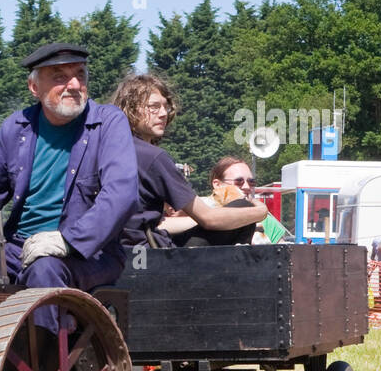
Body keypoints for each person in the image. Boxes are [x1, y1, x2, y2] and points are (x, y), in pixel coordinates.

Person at [0, 42, 138, 294]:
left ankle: (46, 334)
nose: (74, 85)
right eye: (60, 77)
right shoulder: (16, 127)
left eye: (80, 75)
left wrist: (69, 241)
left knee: (44, 270)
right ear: (34, 87)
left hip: (89, 254)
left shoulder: (109, 122)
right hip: (18, 248)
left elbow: (122, 193)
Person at [110, 74, 268, 248]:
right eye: (154, 107)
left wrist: (195, 220)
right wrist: (259, 211)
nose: (163, 113)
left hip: (120, 253)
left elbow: (155, 223)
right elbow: (209, 219)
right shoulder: (153, 157)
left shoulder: (111, 148)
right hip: (151, 257)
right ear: (131, 109)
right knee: (241, 206)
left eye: (165, 107)